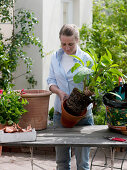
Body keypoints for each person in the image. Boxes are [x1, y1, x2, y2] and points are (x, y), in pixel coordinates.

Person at [47, 24, 94, 170]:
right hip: (60, 114)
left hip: (82, 116)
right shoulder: (55, 57)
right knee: (61, 162)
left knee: (83, 164)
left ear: (77, 40)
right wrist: (59, 92)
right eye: (63, 44)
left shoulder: (86, 59)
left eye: (71, 44)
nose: (66, 48)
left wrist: (89, 91)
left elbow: (93, 86)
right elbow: (51, 81)